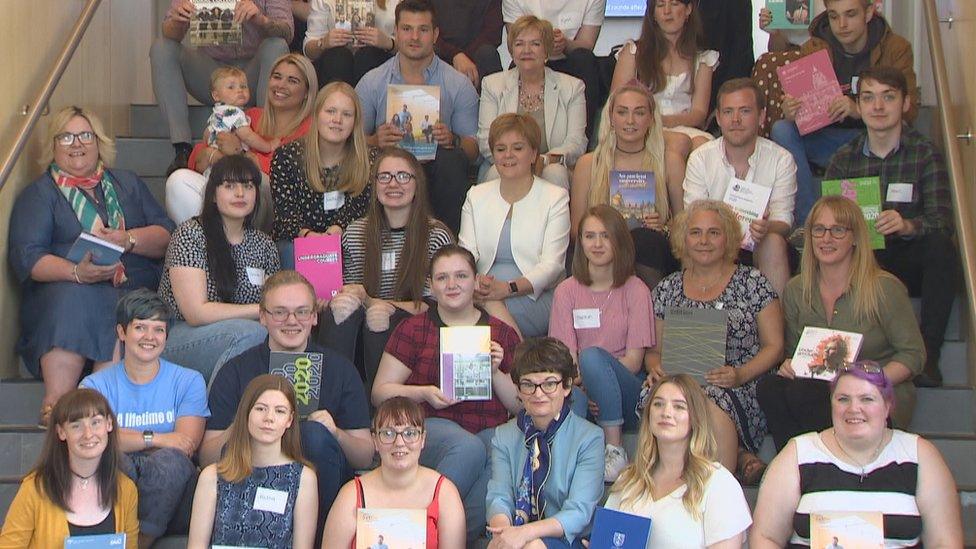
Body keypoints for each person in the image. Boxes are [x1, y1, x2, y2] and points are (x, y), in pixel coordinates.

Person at [8, 106, 174, 426]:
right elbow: (27, 256)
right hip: (66, 292)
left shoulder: (127, 183)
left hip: (129, 284)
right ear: (53, 146)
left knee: (127, 302)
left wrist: (128, 239)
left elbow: (166, 235)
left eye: (85, 135)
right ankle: (57, 400)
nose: (77, 144)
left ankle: (100, 402)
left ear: (99, 142)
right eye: (66, 137)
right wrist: (76, 273)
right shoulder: (41, 194)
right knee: (76, 295)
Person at [202, 270, 373, 539]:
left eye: (302, 312)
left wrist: (335, 433)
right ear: (262, 316)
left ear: (315, 316)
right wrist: (241, 426)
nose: (291, 321)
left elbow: (364, 455)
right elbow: (207, 457)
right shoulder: (236, 370)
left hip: (322, 484)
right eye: (279, 312)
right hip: (253, 485)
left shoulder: (340, 369)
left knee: (314, 434)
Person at [372, 244, 522, 540]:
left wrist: (495, 371)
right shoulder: (414, 329)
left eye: (461, 276)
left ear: (475, 281)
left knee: (501, 447)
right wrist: (424, 392)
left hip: (487, 429)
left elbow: (520, 407)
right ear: (431, 284)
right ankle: (420, 531)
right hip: (430, 428)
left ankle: (437, 537)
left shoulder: (501, 333)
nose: (452, 285)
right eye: (442, 278)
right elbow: (380, 393)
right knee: (468, 447)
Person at [824, 66, 957, 387]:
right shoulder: (844, 158)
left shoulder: (924, 153)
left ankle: (929, 356)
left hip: (907, 255)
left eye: (888, 97)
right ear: (859, 105)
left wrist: (908, 224)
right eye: (868, 98)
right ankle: (826, 359)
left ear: (906, 103)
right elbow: (825, 217)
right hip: (861, 259)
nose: (878, 107)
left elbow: (942, 221)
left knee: (942, 249)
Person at [757, 195, 924, 451]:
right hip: (815, 391)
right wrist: (789, 365)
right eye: (819, 230)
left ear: (855, 237)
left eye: (837, 230)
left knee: (808, 392)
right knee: (770, 387)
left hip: (873, 395)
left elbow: (913, 356)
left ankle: (823, 465)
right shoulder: (795, 289)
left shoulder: (883, 288)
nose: (826, 239)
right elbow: (794, 354)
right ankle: (800, 463)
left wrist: (865, 383)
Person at [645, 200, 784, 484]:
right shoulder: (667, 288)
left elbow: (775, 346)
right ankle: (732, 460)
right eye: (695, 232)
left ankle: (715, 487)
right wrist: (657, 367)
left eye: (713, 233)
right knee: (674, 396)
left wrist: (740, 374)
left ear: (729, 238)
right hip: (680, 381)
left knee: (709, 398)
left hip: (741, 382)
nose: (704, 241)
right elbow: (654, 351)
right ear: (683, 239)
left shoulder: (752, 282)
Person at [751, 362, 963, 547]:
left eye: (867, 399)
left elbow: (944, 542)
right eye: (843, 399)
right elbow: (766, 537)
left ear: (887, 406)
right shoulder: (798, 453)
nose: (854, 408)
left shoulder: (919, 454)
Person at [770, 0, 917, 225]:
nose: (842, 24)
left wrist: (858, 109)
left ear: (869, 13)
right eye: (834, 16)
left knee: (901, 132)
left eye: (850, 15)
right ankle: (809, 223)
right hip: (827, 138)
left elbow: (909, 110)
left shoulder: (895, 48)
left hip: (872, 139)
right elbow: (800, 107)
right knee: (782, 128)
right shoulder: (814, 46)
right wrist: (792, 110)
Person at [79, 289, 208, 547]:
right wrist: (157, 437)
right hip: (116, 479)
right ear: (122, 332)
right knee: (113, 461)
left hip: (172, 492)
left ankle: (137, 543)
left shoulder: (188, 380)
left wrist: (120, 436)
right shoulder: (94, 386)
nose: (150, 337)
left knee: (169, 462)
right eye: (140, 327)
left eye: (158, 329)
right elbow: (92, 441)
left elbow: (185, 444)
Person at [320, 147, 454, 392]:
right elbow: (352, 293)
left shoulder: (436, 234)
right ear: (375, 184)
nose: (393, 184)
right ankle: (334, 402)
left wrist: (371, 301)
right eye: (385, 176)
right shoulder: (356, 232)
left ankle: (382, 408)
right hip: (360, 330)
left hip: (414, 328)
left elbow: (434, 305)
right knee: (341, 309)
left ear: (417, 184)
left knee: (379, 314)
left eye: (403, 176)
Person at [548, 205, 654, 482]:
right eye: (589, 236)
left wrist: (598, 380)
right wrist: (590, 386)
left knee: (593, 357)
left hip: (628, 391)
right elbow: (565, 360)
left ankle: (615, 449)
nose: (596, 244)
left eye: (605, 236)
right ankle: (572, 470)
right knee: (573, 397)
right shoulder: (566, 291)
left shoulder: (636, 290)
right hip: (582, 384)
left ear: (619, 240)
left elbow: (633, 362)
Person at [356, 0, 480, 234]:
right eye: (406, 29)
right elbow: (350, 143)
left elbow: (473, 150)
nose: (414, 37)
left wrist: (452, 139)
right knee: (368, 158)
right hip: (387, 169)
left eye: (423, 30)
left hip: (437, 170)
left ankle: (446, 246)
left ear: (435, 35)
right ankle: (374, 241)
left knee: (452, 160)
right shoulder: (372, 82)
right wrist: (374, 140)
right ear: (395, 32)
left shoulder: (458, 84)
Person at [158, 155, 281, 384]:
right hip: (181, 335)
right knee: (251, 334)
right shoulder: (190, 235)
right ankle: (218, 413)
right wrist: (263, 309)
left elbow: (276, 301)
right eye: (230, 186)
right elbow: (196, 313)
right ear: (213, 195)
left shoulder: (264, 244)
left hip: (243, 333)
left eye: (248, 186)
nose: (240, 193)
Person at [166, 53, 318, 230]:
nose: (281, 85)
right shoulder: (250, 115)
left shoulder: (311, 128)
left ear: (307, 92)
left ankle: (231, 245)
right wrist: (212, 154)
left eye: (292, 80)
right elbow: (198, 159)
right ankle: (208, 245)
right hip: (229, 191)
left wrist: (239, 153)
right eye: (277, 77)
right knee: (178, 180)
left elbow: (286, 176)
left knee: (254, 182)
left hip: (273, 208)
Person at [605, 374, 752, 549]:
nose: (666, 413)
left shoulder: (719, 484)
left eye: (679, 407)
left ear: (695, 418)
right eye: (658, 404)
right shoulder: (628, 480)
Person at [682, 77, 798, 297]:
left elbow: (784, 221)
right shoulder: (700, 158)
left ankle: (774, 329)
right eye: (727, 112)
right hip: (714, 242)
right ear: (718, 117)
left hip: (760, 243)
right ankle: (697, 328)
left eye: (744, 111)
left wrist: (767, 227)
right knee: (695, 241)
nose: (735, 120)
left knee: (773, 241)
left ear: (761, 116)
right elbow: (693, 216)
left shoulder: (781, 159)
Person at [486, 337, 604, 549]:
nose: (538, 394)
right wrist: (503, 533)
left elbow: (578, 513)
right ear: (519, 390)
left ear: (567, 386)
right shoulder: (504, 436)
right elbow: (499, 496)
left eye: (549, 384)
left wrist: (524, 533)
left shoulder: (590, 437)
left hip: (566, 538)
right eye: (528, 384)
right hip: (516, 531)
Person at [151, 0, 293, 174]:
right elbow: (168, 31)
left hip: (255, 70)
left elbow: (287, 31)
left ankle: (263, 139)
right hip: (212, 72)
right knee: (162, 48)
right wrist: (178, 20)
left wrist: (260, 19)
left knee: (276, 45)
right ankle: (182, 148)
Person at [460, 113, 570, 338]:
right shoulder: (476, 196)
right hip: (482, 292)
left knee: (484, 313)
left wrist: (507, 289)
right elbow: (466, 254)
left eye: (517, 148)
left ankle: (514, 357)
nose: (508, 155)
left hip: (534, 295)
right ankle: (517, 359)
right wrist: (479, 284)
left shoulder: (555, 197)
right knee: (479, 306)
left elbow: (552, 266)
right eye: (500, 149)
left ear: (533, 154)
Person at [188, 375, 319, 548]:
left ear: (290, 420)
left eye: (280, 411)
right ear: (246, 413)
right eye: (260, 409)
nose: (269, 418)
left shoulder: (303, 478)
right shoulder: (212, 476)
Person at [0, 389, 138, 548]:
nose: (88, 434)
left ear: (109, 424)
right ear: (61, 432)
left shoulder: (126, 490)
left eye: (95, 422)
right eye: (76, 426)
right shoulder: (35, 489)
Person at [322, 397, 467, 549]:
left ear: (423, 439)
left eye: (410, 433)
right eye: (388, 433)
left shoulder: (445, 492)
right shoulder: (350, 494)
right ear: (375, 440)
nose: (399, 443)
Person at [571, 83, 676, 282]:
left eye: (639, 113)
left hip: (653, 251)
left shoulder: (669, 162)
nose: (630, 121)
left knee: (645, 241)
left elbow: (685, 225)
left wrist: (664, 226)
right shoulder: (588, 164)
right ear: (610, 117)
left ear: (651, 119)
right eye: (622, 112)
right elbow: (577, 231)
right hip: (601, 251)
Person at [611, 0, 718, 193]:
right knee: (680, 143)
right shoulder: (634, 52)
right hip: (643, 126)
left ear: (688, 9)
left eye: (674, 4)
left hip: (685, 126)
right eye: (660, 6)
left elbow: (699, 113)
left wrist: (666, 120)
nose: (667, 12)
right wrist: (653, 121)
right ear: (652, 14)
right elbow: (616, 103)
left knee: (705, 146)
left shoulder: (703, 58)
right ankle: (675, 213)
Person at [269, 81, 379, 267]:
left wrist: (338, 229)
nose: (337, 120)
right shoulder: (286, 156)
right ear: (317, 114)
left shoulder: (370, 159)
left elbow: (362, 208)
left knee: (357, 245)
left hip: (346, 236)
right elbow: (285, 213)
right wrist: (308, 235)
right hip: (297, 238)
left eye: (347, 114)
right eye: (330, 111)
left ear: (355, 121)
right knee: (290, 250)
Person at [477, 15, 586, 190]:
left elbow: (577, 142)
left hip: (550, 164)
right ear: (512, 51)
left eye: (535, 44)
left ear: (547, 51)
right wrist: (516, 161)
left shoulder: (572, 87)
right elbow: (485, 140)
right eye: (519, 44)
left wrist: (545, 160)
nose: (526, 50)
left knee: (555, 173)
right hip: (506, 163)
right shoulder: (492, 85)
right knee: (496, 173)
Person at [502, 0, 605, 137]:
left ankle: (583, 140)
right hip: (533, 58)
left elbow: (587, 44)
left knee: (585, 60)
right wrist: (542, 44)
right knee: (523, 61)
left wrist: (565, 44)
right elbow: (516, 41)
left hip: (572, 61)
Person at [304, 0, 400, 87]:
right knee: (339, 57)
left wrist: (389, 42)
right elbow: (308, 50)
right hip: (336, 62)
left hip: (379, 61)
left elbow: (411, 44)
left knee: (368, 55)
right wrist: (323, 43)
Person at [203, 66, 280, 166]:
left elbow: (206, 135)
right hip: (231, 165)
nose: (240, 90)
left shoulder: (216, 114)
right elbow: (248, 137)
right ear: (216, 96)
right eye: (231, 87)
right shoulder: (234, 113)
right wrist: (268, 146)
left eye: (243, 86)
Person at [430, 0, 504, 87]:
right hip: (442, 54)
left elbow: (492, 34)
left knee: (487, 54)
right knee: (426, 51)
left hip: (476, 59)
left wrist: (465, 59)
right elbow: (424, 29)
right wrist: (455, 55)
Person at [758, 1, 827, 51]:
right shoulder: (778, 5)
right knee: (764, 62)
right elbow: (776, 52)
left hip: (822, 50)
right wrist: (774, 32)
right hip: (791, 55)